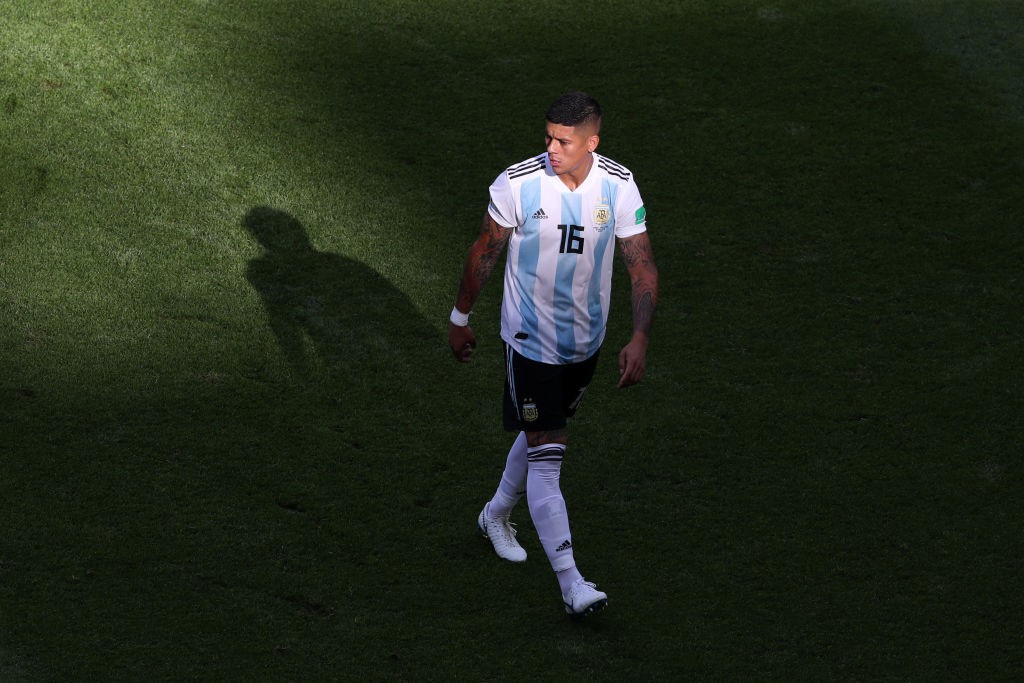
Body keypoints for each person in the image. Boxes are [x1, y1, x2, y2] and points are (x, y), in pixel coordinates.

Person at [448, 91, 658, 617]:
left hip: (586, 342)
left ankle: (495, 514)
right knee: (549, 457)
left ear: (592, 142)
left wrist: (639, 336)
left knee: (543, 429)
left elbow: (642, 268)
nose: (551, 148)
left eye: (563, 140)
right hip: (530, 342)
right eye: (547, 136)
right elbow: (485, 251)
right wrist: (460, 318)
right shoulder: (518, 183)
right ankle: (572, 584)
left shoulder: (619, 183)